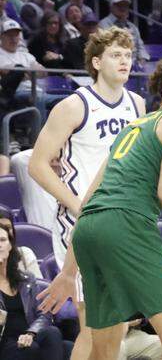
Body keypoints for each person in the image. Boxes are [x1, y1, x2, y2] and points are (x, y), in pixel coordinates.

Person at [39, 55, 162, 360]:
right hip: (126, 225)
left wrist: (68, 271)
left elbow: (89, 202)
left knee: (104, 348)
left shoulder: (132, 128)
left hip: (89, 231)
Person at [28, 27, 147, 360]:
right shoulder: (73, 106)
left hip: (122, 221)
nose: (125, 61)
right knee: (94, 324)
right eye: (116, 55)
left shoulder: (137, 104)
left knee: (116, 327)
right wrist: (78, 206)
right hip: (80, 222)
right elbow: (37, 165)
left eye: (128, 55)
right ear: (96, 62)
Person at [0, 223, 63, 360]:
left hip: (28, 334)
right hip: (4, 341)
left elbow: (44, 314)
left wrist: (31, 333)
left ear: (10, 246)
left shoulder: (26, 278)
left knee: (52, 333)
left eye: (3, 240)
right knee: (30, 349)